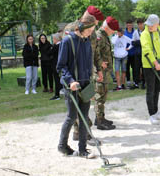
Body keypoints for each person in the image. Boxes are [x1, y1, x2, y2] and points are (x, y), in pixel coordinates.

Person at [57, 11, 97, 158]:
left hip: (85, 85)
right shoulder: (67, 41)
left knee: (85, 117)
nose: (91, 34)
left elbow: (87, 66)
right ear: (81, 26)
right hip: (71, 86)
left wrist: (90, 89)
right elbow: (61, 66)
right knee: (72, 116)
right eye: (89, 30)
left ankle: (82, 149)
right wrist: (70, 81)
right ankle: (62, 146)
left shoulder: (87, 43)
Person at [93, 16, 119, 130]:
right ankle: (99, 122)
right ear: (107, 28)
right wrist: (99, 65)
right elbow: (94, 52)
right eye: (112, 30)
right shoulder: (99, 36)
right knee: (100, 97)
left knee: (103, 96)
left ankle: (100, 117)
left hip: (104, 72)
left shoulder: (104, 36)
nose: (113, 33)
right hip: (100, 72)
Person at [131, 18, 145, 89]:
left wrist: (138, 42)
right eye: (138, 24)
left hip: (145, 53)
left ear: (144, 24)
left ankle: (144, 83)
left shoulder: (147, 31)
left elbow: (147, 43)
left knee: (144, 68)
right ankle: (136, 83)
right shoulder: (136, 32)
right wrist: (140, 42)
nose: (140, 25)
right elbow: (133, 42)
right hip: (137, 53)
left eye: (141, 24)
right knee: (136, 68)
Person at [50, 32, 62, 100]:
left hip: (56, 65)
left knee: (57, 80)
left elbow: (49, 53)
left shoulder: (56, 46)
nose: (53, 40)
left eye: (53, 39)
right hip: (60, 65)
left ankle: (57, 95)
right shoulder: (62, 45)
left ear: (56, 39)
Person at [124, 20, 136, 87]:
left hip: (134, 53)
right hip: (126, 54)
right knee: (127, 68)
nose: (129, 26)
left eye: (130, 25)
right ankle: (128, 81)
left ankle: (135, 80)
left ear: (132, 25)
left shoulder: (135, 32)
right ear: (126, 25)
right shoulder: (124, 33)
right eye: (128, 25)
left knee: (134, 68)